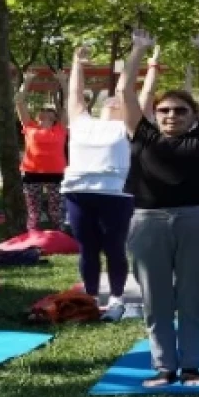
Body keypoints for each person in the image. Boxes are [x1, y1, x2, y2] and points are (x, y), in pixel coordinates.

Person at [119, 28, 199, 388]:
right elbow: (125, 93)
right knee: (155, 297)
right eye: (164, 110)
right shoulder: (143, 133)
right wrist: (137, 52)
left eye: (180, 110)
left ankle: (192, 365)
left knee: (195, 296)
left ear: (193, 115)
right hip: (149, 221)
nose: (171, 115)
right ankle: (164, 366)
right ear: (155, 113)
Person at [61, 45, 135, 323]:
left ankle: (117, 299)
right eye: (110, 99)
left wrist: (139, 56)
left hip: (114, 195)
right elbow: (75, 94)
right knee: (87, 248)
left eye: (120, 101)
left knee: (114, 247)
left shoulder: (125, 127)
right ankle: (90, 298)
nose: (114, 101)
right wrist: (77, 63)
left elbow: (129, 92)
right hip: (78, 193)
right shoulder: (81, 122)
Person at [15, 71, 69, 231]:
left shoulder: (60, 128)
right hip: (32, 173)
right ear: (38, 116)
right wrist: (27, 81)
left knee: (56, 210)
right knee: (33, 212)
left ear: (54, 117)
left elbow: (68, 103)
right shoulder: (30, 126)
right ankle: (32, 237)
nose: (45, 111)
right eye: (42, 111)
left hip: (56, 174)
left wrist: (63, 82)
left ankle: (60, 237)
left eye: (49, 111)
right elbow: (19, 102)